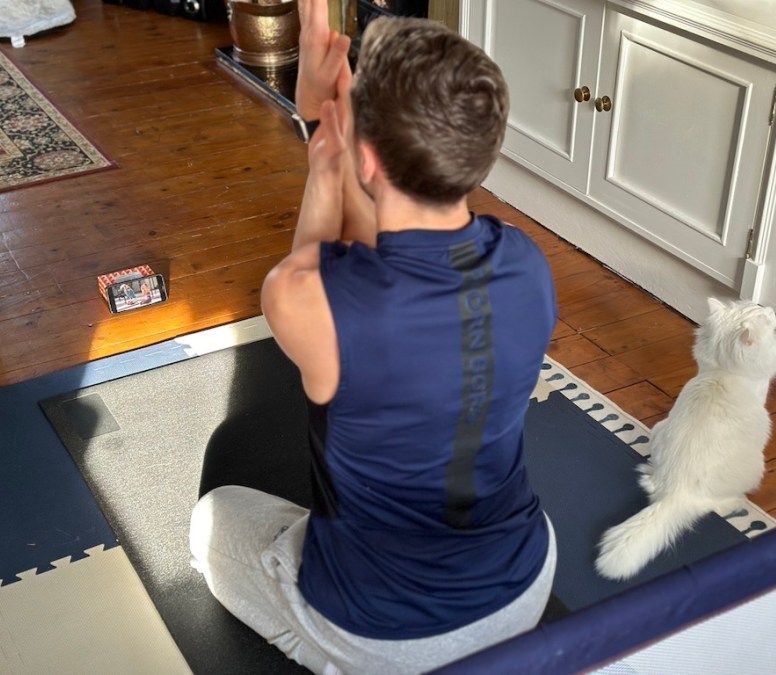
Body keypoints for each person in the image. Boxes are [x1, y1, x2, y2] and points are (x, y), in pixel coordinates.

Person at [189, 1, 558, 672]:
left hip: (387, 635)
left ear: (364, 156)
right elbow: (389, 227)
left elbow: (322, 256)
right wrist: (322, 110)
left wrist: (320, 151)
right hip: (524, 583)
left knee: (212, 521)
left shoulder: (305, 299)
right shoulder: (529, 262)